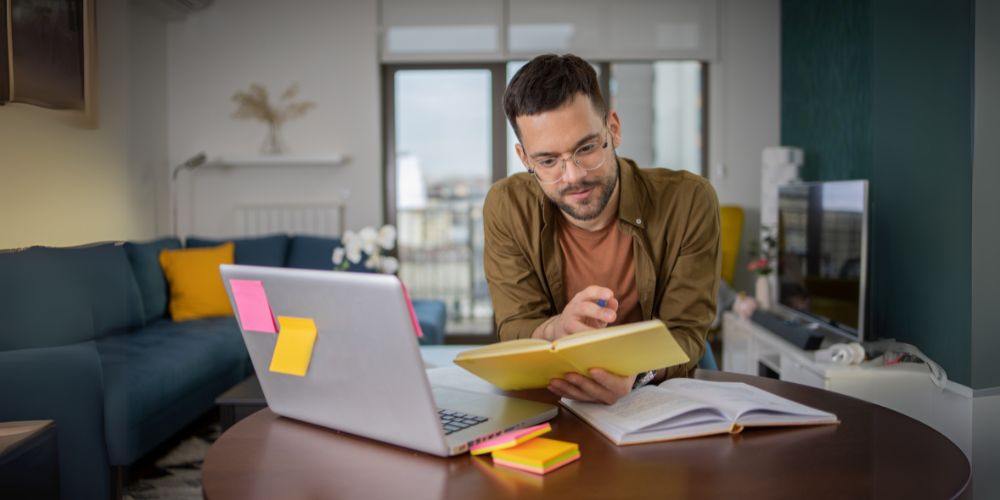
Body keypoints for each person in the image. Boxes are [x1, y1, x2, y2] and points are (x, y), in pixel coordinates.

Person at [483, 54, 721, 405]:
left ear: (614, 128)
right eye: (548, 161)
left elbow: (685, 332)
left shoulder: (689, 200)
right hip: (558, 401)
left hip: (654, 398)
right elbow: (515, 325)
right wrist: (559, 328)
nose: (574, 175)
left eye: (587, 148)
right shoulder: (507, 206)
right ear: (524, 158)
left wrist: (636, 376)